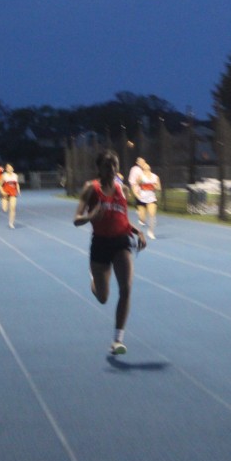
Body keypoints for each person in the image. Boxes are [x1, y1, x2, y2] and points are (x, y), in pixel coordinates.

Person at [73, 150, 147, 356]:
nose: (112, 169)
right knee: (103, 297)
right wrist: (91, 216)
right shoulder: (91, 188)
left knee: (126, 288)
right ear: (99, 168)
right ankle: (94, 280)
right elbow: (76, 219)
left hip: (122, 242)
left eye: (115, 165)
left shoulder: (123, 189)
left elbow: (121, 218)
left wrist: (138, 231)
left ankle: (117, 340)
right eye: (107, 166)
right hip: (100, 244)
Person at [133, 158, 161, 239]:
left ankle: (151, 232)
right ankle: (141, 219)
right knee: (142, 218)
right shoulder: (140, 177)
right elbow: (135, 185)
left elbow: (159, 188)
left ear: (150, 168)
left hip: (151, 199)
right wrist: (137, 194)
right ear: (143, 169)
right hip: (142, 199)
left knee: (152, 215)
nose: (146, 167)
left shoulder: (155, 177)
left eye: (147, 166)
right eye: (145, 167)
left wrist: (154, 186)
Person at [0, 163, 20, 228]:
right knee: (4, 209)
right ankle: (2, 198)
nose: (9, 168)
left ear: (13, 168)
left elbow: (17, 183)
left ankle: (11, 223)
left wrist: (18, 190)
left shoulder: (15, 175)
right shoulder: (4, 176)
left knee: (13, 208)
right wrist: (2, 191)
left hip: (13, 193)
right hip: (5, 194)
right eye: (7, 167)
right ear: (6, 169)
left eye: (10, 167)